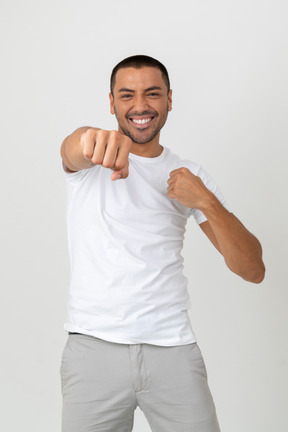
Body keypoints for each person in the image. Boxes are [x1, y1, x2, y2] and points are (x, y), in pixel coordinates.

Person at [60, 55, 265, 432]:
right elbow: (73, 148)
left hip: (173, 350)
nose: (140, 106)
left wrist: (206, 202)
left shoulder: (190, 175)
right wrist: (93, 139)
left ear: (170, 99)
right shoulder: (90, 162)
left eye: (152, 94)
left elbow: (252, 270)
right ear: (111, 103)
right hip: (93, 351)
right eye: (127, 96)